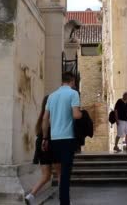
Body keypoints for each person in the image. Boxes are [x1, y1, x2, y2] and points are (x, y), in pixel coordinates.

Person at [42, 72, 82, 205]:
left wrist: (45, 138)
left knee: (59, 172)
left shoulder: (51, 96)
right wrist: (83, 114)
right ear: (72, 81)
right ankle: (64, 203)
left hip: (54, 139)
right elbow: (76, 115)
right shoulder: (73, 93)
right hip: (67, 138)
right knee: (65, 174)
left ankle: (63, 201)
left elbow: (45, 119)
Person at [25, 95, 60, 205]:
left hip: (42, 147)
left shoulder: (41, 118)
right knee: (60, 174)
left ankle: (31, 196)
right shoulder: (53, 116)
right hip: (52, 145)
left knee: (45, 175)